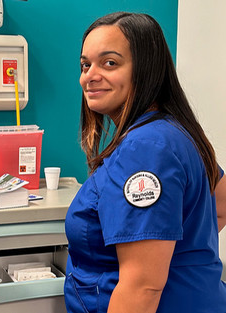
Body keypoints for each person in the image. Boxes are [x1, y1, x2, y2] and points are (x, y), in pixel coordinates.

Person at [64, 12, 226, 313]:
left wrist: (161, 262)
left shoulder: (145, 149)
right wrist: (178, 254)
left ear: (146, 69)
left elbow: (143, 287)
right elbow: (222, 201)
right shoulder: (172, 131)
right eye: (86, 64)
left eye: (109, 63)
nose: (90, 75)